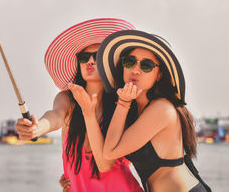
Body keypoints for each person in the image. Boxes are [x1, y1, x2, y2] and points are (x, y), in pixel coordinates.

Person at [16, 18, 143, 191]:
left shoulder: (122, 104)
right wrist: (36, 128)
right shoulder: (68, 99)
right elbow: (55, 116)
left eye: (97, 56)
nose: (89, 61)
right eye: (84, 57)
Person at [75, 29, 211, 191]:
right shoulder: (131, 111)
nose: (136, 69)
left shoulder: (162, 109)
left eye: (146, 65)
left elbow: (110, 152)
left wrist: (123, 102)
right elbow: (104, 162)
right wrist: (88, 114)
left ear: (159, 74)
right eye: (130, 62)